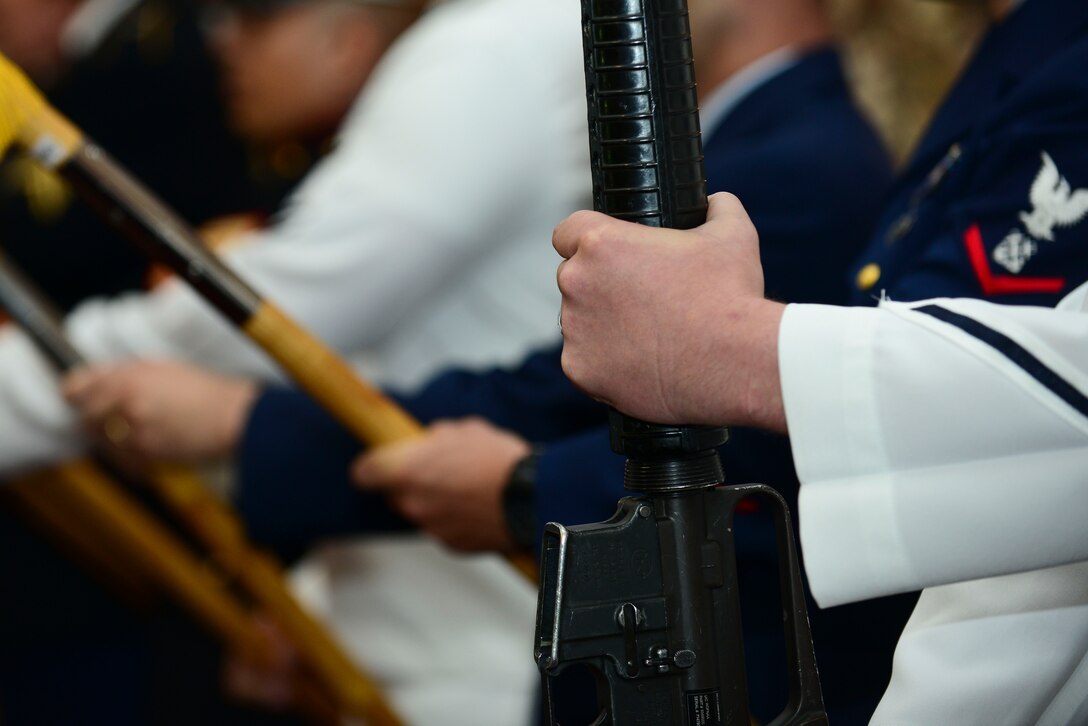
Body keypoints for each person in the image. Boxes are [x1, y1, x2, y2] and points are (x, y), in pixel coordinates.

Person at [63, 0, 906, 719]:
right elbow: (577, 390)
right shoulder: (748, 147)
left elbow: (711, 449)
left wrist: (245, 426)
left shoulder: (794, 168)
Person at [2, 0, 595, 722]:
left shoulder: (488, 52)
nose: (221, 40)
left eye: (257, 19)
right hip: (421, 621)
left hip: (480, 665)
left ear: (345, 38)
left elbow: (267, 315)